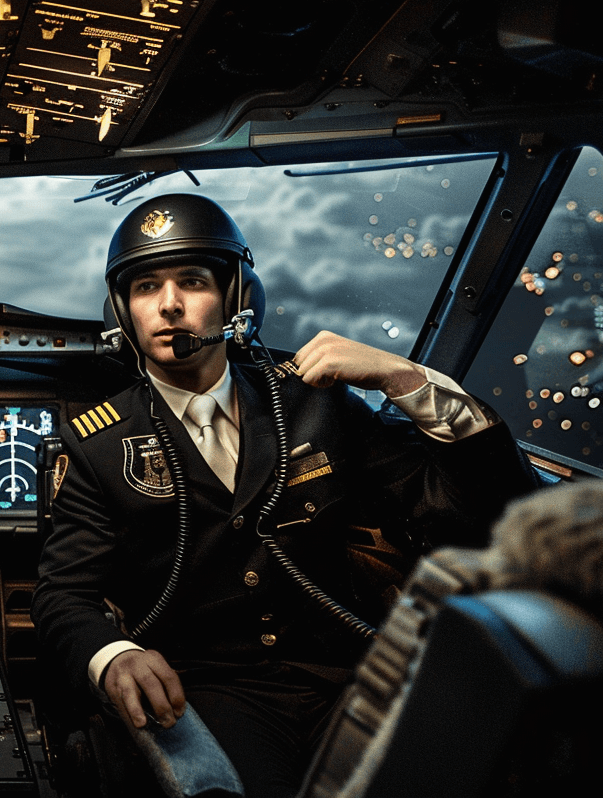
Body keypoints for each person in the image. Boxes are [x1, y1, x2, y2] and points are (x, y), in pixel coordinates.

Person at [31, 193, 538, 797]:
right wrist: (112, 655)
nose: (169, 305)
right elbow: (65, 594)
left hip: (349, 671)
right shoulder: (96, 444)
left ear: (237, 298)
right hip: (208, 689)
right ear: (124, 309)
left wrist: (403, 379)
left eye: (192, 281)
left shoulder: (316, 402)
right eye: (145, 287)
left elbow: (487, 510)